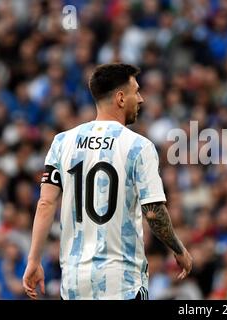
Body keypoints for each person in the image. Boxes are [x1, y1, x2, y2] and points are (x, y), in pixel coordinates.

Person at [22, 63, 192, 300]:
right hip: (121, 281)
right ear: (121, 98)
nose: (141, 99)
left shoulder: (62, 142)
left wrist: (33, 259)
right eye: (136, 91)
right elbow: (153, 212)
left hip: (74, 282)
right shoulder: (139, 146)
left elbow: (45, 204)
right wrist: (178, 249)